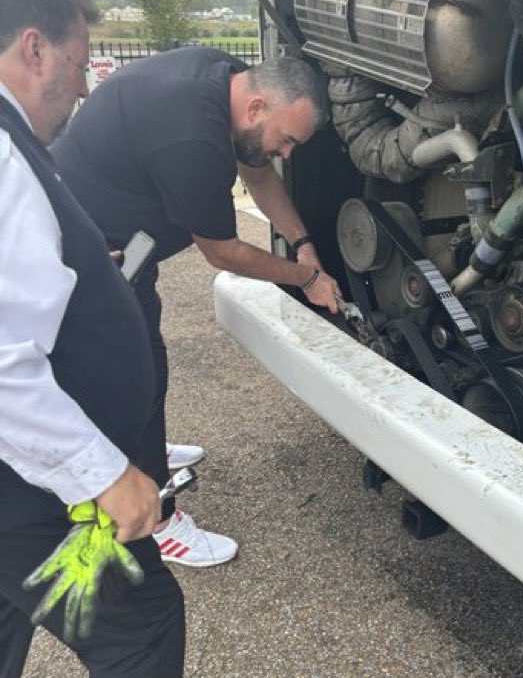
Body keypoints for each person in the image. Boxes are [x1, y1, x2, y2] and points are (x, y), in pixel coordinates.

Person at [0, 0, 246, 678]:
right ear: (33, 48)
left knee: (5, 594)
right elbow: (3, 366)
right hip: (22, 471)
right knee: (138, 616)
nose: (83, 78)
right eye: (78, 57)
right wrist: (106, 476)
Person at [52, 47, 340, 568]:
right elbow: (223, 252)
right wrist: (307, 278)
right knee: (137, 373)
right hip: (91, 254)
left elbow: (259, 174)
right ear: (256, 108)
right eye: (288, 139)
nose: (288, 154)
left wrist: (303, 244)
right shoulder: (193, 137)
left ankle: (145, 453)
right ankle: (158, 520)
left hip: (120, 236)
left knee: (145, 354)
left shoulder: (225, 79)